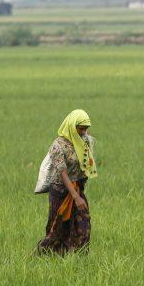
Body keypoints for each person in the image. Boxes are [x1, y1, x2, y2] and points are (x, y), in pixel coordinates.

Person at [34, 109, 97, 255]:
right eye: (81, 128)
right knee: (57, 229)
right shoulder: (58, 146)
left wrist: (79, 190)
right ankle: (43, 256)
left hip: (77, 189)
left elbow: (86, 165)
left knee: (83, 225)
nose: (84, 132)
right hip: (61, 191)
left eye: (86, 129)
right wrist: (75, 197)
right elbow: (62, 174)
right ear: (71, 126)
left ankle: (77, 259)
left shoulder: (84, 141)